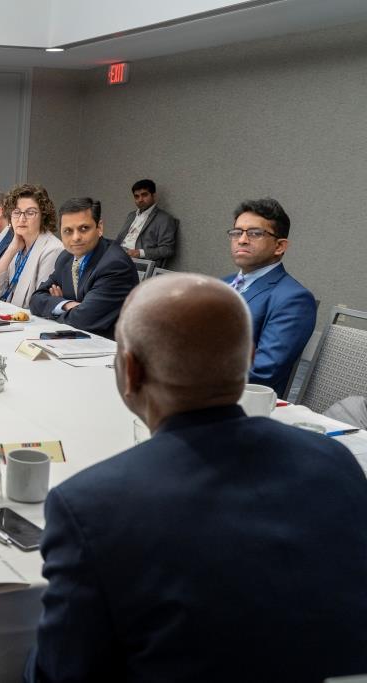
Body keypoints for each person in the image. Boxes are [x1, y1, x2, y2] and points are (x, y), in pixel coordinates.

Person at [25, 273, 367, 683]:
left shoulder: (91, 505)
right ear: (247, 359)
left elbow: (62, 671)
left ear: (130, 371)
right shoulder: (333, 459)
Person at [223, 197, 315, 396]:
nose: (242, 240)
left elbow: (262, 372)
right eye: (237, 232)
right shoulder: (221, 284)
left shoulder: (294, 299)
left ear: (279, 246)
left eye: (255, 233)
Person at [30, 197, 138, 338]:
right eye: (68, 231)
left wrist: (53, 309)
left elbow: (82, 320)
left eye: (84, 228)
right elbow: (35, 300)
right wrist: (66, 304)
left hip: (110, 347)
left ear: (99, 227)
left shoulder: (115, 264)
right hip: (75, 342)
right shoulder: (66, 257)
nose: (76, 237)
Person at [0, 183, 64, 308]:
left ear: (43, 216)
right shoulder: (17, 245)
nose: (21, 219)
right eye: (16, 212)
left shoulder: (53, 250)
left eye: (30, 213)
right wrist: (11, 250)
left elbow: (38, 300)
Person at [113, 178, 178, 266]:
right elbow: (120, 239)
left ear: (153, 196)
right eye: (136, 196)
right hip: (119, 256)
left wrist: (140, 253)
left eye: (144, 195)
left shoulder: (164, 219)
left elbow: (167, 249)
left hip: (137, 262)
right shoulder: (131, 215)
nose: (140, 199)